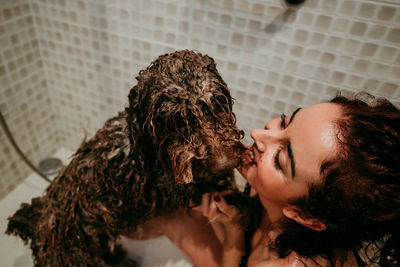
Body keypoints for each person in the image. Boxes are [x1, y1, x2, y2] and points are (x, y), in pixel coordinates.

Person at [158, 92, 400, 267]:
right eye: (285, 121)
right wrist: (235, 225)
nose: (259, 134)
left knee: (174, 221)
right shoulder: (281, 198)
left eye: (280, 159)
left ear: (305, 215)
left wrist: (235, 239)